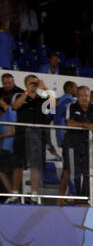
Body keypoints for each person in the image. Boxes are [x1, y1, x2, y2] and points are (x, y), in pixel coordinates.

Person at [12, 75, 54, 203]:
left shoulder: (42, 99)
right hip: (21, 135)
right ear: (25, 84)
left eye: (35, 82)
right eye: (31, 83)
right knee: (18, 166)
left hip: (37, 136)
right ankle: (14, 194)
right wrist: (27, 92)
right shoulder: (19, 95)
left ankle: (34, 195)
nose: (34, 85)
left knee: (35, 166)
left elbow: (53, 104)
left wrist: (45, 87)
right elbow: (15, 106)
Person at [62, 86, 93, 203]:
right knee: (73, 172)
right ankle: (75, 196)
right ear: (77, 96)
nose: (84, 98)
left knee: (88, 173)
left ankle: (86, 198)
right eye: (81, 95)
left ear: (89, 96)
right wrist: (86, 125)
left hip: (89, 146)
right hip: (72, 144)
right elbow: (69, 123)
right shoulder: (71, 106)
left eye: (86, 95)